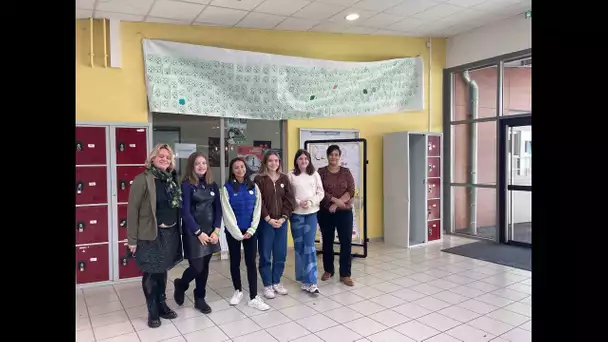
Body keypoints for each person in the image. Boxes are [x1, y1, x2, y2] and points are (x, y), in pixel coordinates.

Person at [127, 144, 183, 328]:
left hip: (170, 232)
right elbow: (132, 211)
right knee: (151, 271)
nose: (164, 159)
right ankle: (152, 311)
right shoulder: (142, 179)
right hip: (150, 234)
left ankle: (162, 305)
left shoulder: (172, 179)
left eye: (168, 157)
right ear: (152, 158)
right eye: (161, 156)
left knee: (163, 269)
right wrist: (132, 240)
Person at [173, 152, 222, 314]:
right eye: (197, 164)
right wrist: (198, 232)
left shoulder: (212, 184)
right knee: (197, 266)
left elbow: (218, 210)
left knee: (205, 266)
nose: (201, 166)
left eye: (204, 163)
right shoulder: (187, 185)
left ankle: (200, 298)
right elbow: (185, 213)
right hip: (193, 232)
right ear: (192, 167)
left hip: (210, 232)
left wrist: (216, 230)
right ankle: (181, 284)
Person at [220, 157, 270, 311]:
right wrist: (237, 233)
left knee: (250, 263)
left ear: (246, 168)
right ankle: (238, 291)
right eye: (236, 167)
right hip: (233, 232)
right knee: (235, 261)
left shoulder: (253, 187)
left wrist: (251, 230)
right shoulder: (227, 188)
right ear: (232, 171)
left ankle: (254, 297)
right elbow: (227, 212)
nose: (240, 170)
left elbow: (257, 208)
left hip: (250, 231)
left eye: (242, 167)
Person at [254, 151, 296, 299]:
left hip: (282, 222)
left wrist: (284, 218)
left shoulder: (284, 178)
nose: (274, 163)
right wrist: (268, 219)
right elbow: (259, 202)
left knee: (280, 254)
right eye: (270, 161)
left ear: (279, 163)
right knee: (265, 255)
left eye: (276, 161)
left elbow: (289, 200)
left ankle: (276, 281)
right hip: (266, 223)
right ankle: (267, 285)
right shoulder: (259, 179)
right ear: (265, 162)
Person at [317, 145, 356, 287]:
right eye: (331, 154)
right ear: (327, 156)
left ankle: (345, 274)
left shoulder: (346, 172)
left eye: (336, 154)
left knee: (346, 243)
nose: (334, 157)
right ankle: (328, 270)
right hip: (326, 212)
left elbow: (351, 190)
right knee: (327, 241)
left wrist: (339, 203)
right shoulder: (321, 172)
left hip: (344, 213)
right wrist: (334, 201)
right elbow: (319, 190)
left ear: (339, 156)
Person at [288, 149, 324, 294]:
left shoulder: (314, 174)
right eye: (301, 159)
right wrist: (298, 202)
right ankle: (303, 279)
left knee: (309, 246)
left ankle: (312, 281)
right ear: (296, 160)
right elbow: (288, 194)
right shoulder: (290, 175)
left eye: (306, 159)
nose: (303, 161)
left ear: (309, 161)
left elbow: (321, 192)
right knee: (299, 246)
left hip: (311, 214)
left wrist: (310, 202)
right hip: (296, 214)